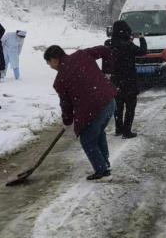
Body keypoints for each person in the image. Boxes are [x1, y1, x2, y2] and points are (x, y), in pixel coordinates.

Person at [44, 45, 117, 180]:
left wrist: (67, 121)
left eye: (48, 63)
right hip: (109, 101)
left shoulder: (60, 80)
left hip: (94, 108)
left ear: (54, 60)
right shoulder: (82, 54)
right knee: (97, 132)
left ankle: (102, 171)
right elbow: (107, 50)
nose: (50, 66)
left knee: (88, 140)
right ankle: (104, 164)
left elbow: (66, 104)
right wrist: (107, 73)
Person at [103, 20, 148, 138]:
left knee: (118, 106)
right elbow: (143, 52)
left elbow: (105, 64)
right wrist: (142, 38)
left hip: (115, 81)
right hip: (129, 80)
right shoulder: (128, 45)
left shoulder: (108, 44)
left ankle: (119, 129)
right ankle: (127, 131)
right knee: (130, 106)